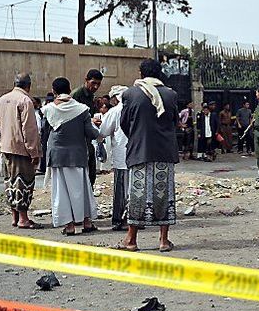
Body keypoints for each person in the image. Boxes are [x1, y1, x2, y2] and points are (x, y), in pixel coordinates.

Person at [118, 58, 179, 252]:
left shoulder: (130, 94)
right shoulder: (170, 95)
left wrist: (137, 137)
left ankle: (131, 239)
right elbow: (174, 122)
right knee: (164, 194)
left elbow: (124, 123)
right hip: (164, 152)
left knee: (137, 195)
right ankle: (163, 240)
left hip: (139, 151)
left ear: (141, 73)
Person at [42, 77, 99, 235]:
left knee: (62, 191)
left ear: (54, 91)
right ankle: (87, 222)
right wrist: (99, 130)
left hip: (58, 156)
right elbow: (91, 133)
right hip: (78, 155)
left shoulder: (49, 110)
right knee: (82, 189)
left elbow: (45, 132)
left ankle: (69, 226)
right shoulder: (81, 109)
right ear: (69, 89)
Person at [0, 73, 43, 229]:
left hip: (5, 147)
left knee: (10, 181)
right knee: (23, 182)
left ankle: (15, 217)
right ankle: (23, 218)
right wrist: (34, 152)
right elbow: (29, 129)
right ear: (28, 86)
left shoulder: (1, 100)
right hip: (21, 149)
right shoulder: (25, 100)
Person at [99, 85, 129, 230]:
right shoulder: (136, 109)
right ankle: (136, 219)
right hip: (138, 156)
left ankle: (119, 220)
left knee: (121, 190)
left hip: (122, 157)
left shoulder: (115, 111)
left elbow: (103, 131)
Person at [72, 68, 104, 185]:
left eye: (98, 84)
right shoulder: (77, 95)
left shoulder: (92, 97)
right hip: (77, 141)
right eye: (93, 83)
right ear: (86, 80)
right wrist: (90, 120)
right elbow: (71, 117)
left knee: (91, 175)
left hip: (88, 139)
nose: (95, 87)